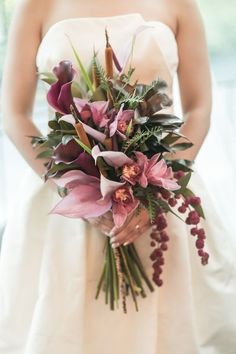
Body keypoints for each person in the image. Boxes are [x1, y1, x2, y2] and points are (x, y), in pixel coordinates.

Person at [0, 0, 235, 353]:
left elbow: (199, 107)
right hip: (65, 205)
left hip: (158, 200)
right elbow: (14, 114)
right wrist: (77, 188)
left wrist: (157, 190)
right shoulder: (34, 5)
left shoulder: (179, 4)